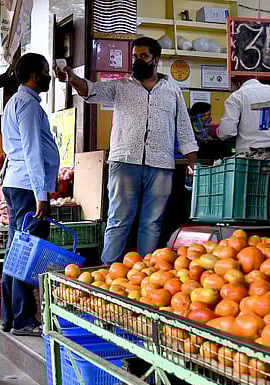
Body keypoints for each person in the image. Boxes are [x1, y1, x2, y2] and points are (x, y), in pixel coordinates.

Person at [59, 37, 198, 265]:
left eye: (143, 56)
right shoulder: (121, 86)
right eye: (134, 56)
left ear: (156, 59)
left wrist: (193, 161)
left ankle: (146, 272)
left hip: (161, 164)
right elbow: (90, 90)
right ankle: (107, 269)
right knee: (119, 219)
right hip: (124, 162)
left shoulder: (172, 90)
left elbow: (184, 128)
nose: (137, 60)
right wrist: (72, 78)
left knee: (152, 222)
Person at [0, 53, 59, 337]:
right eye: (46, 72)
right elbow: (33, 151)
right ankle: (23, 318)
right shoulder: (28, 106)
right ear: (35, 75)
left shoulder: (16, 102)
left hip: (18, 183)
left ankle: (11, 317)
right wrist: (41, 194)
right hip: (26, 186)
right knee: (27, 251)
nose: (49, 77)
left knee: (16, 250)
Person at [217, 77, 270, 154]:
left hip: (249, 155)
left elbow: (227, 132)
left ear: (237, 83)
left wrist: (218, 132)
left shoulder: (237, 96)